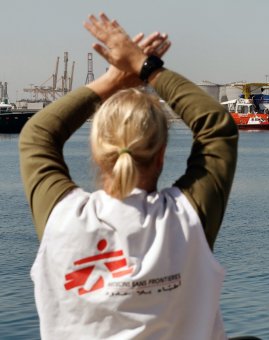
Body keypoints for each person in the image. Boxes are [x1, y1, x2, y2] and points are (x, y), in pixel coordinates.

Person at [19, 13, 243, 339]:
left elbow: (36, 135)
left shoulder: (62, 218)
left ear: (97, 152)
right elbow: (217, 127)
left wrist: (111, 80)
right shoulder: (186, 220)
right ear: (162, 154)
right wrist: (145, 66)